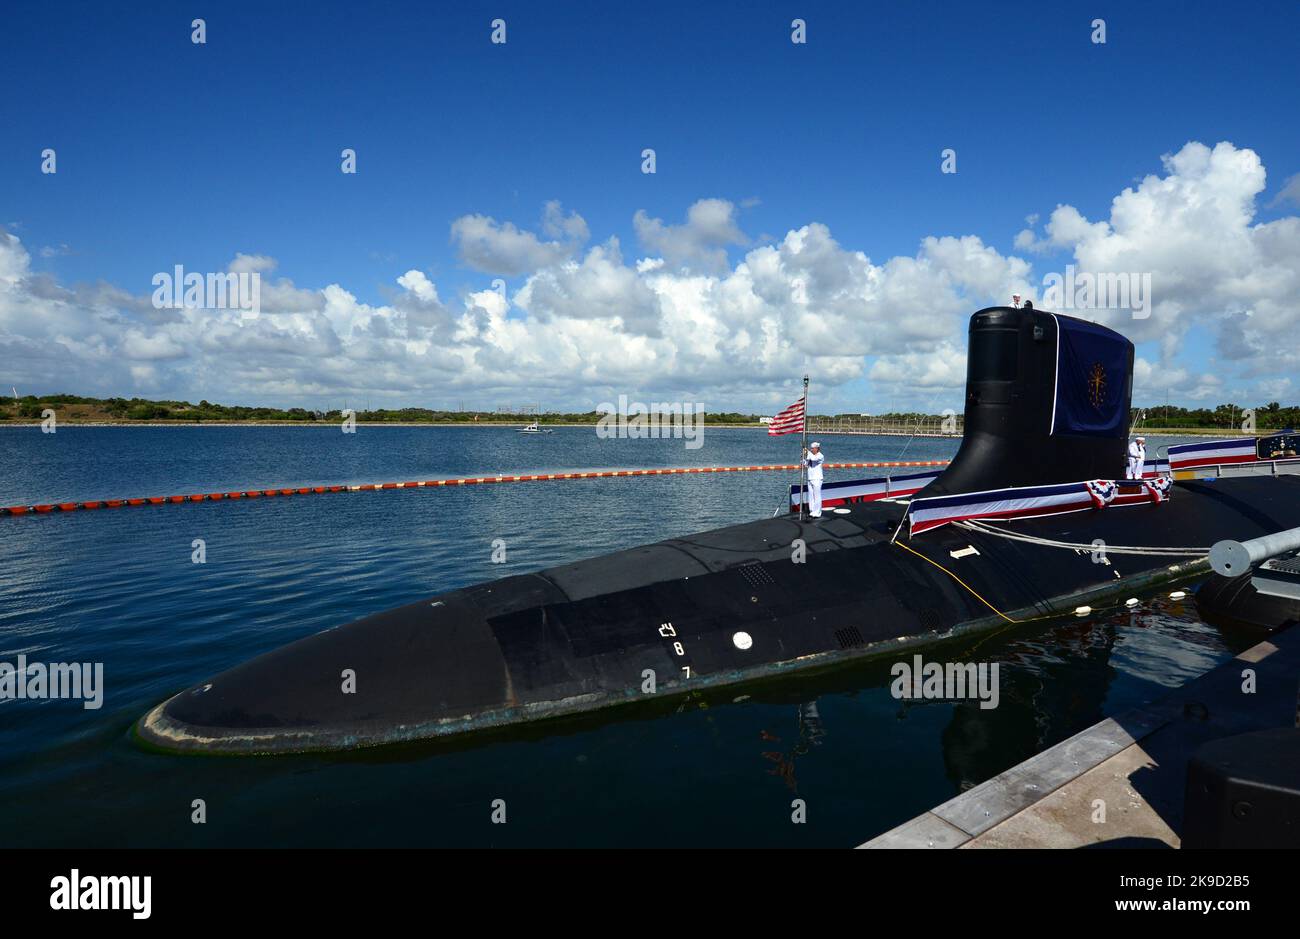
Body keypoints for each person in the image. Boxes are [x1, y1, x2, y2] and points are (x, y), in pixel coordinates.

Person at [803, 441, 825, 518]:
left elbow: (813, 459)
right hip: (810, 477)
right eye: (811, 448)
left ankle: (817, 512)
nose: (811, 449)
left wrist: (807, 452)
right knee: (811, 495)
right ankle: (812, 510)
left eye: (813, 448)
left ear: (817, 448)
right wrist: (804, 457)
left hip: (817, 478)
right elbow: (805, 464)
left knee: (817, 496)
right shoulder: (810, 455)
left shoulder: (820, 456)